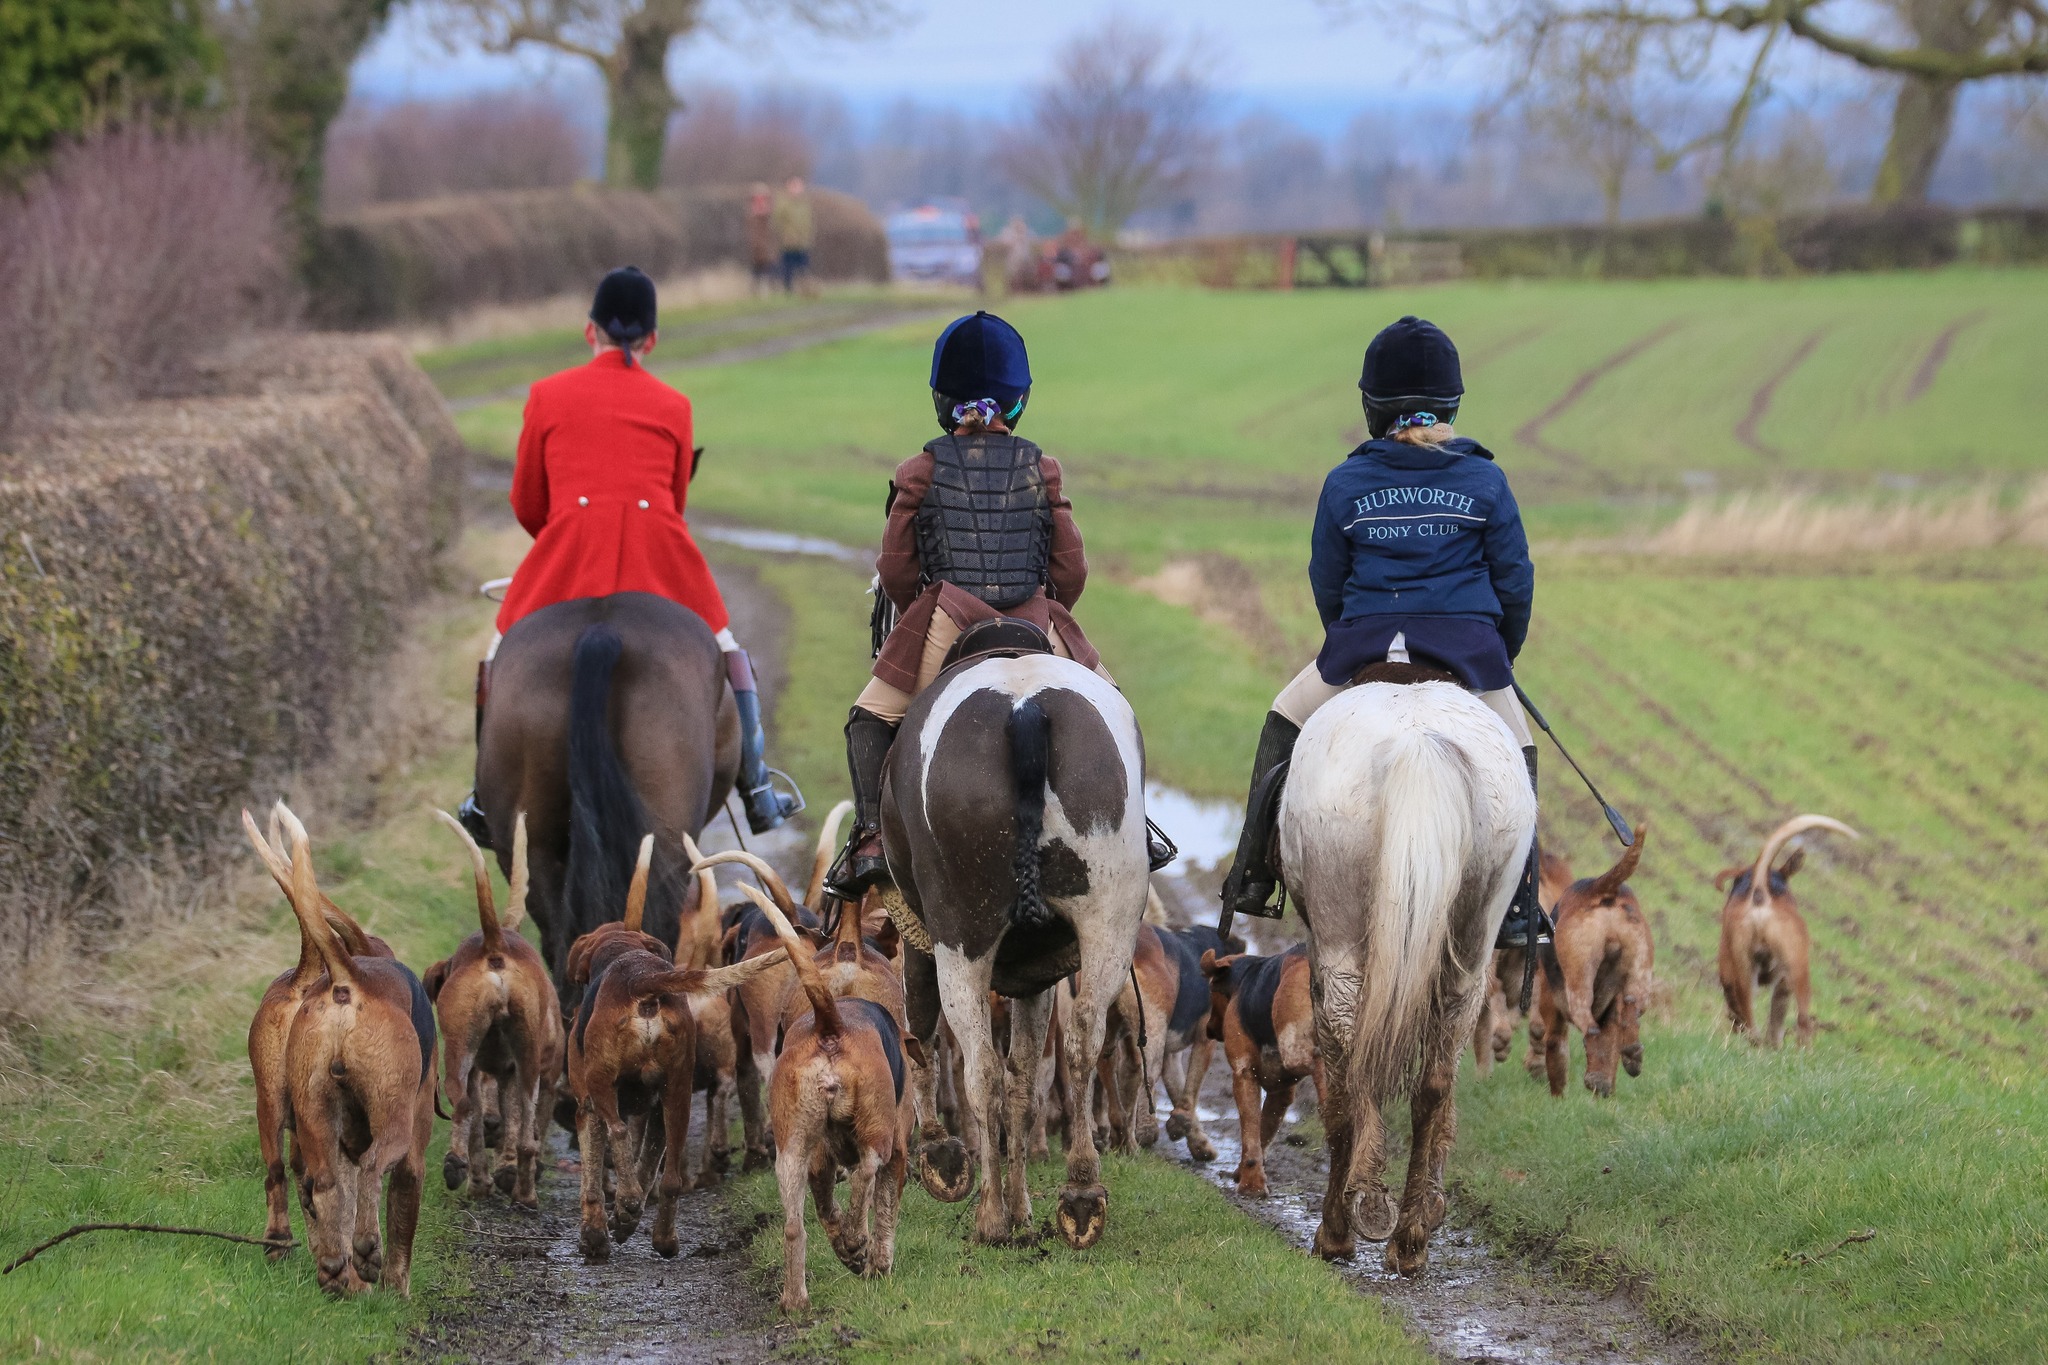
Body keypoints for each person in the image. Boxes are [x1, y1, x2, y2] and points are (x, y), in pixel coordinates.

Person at [1215, 315, 1545, 948]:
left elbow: (1327, 583)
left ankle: (1254, 873)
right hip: (1468, 655)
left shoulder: (1346, 483)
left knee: (1285, 715)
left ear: (1373, 405)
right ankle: (1519, 906)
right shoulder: (1486, 480)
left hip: (1364, 646)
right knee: (1519, 750)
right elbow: (1515, 584)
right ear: (1451, 402)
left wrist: (1348, 641)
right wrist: (1498, 658)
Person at [455, 267, 800, 846]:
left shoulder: (546, 395)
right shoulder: (673, 405)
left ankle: (483, 797)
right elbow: (675, 500)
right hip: (656, 555)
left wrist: (565, 531)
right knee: (728, 651)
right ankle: (758, 788)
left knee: (499, 654)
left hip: (569, 553)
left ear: (590, 331)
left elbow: (526, 502)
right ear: (652, 339)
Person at [824, 311, 1114, 897]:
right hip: (1035, 619)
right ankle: (1136, 828)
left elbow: (898, 572)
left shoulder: (919, 471)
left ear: (943, 398)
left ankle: (873, 839)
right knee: (1112, 711)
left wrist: (924, 607)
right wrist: (1045, 607)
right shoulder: (1043, 469)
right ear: (1018, 401)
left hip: (948, 617)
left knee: (870, 716)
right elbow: (1071, 570)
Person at [770, 176, 815, 295]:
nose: (797, 189)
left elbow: (807, 221)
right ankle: (787, 290)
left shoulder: (804, 203)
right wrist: (785, 234)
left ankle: (805, 289)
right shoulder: (783, 202)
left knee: (803, 266)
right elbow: (777, 220)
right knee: (787, 267)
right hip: (788, 241)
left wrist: (806, 235)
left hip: (802, 241)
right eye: (794, 186)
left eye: (799, 186)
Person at [746, 182, 776, 295]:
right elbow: (752, 232)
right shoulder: (751, 214)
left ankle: (766, 290)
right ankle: (755, 291)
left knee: (768, 268)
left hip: (767, 246)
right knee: (756, 270)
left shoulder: (769, 214)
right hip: (756, 247)